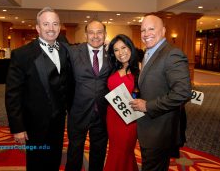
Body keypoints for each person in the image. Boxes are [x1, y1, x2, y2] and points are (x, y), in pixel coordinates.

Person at [5, 7, 73, 170]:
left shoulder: (65, 48)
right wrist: (18, 128)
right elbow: (13, 94)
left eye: (55, 24)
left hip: (58, 121)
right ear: (37, 28)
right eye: (46, 24)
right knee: (36, 162)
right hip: (33, 123)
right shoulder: (21, 55)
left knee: (54, 159)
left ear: (59, 27)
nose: (51, 28)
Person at [129, 15, 192, 171]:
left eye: (151, 28)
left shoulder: (172, 54)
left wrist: (148, 106)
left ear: (163, 31)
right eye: (143, 30)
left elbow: (183, 93)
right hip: (150, 128)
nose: (146, 33)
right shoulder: (149, 53)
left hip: (160, 130)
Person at [65, 19, 112, 171]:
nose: (95, 36)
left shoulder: (112, 55)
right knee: (74, 151)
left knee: (99, 152)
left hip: (102, 113)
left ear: (105, 35)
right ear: (85, 35)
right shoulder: (72, 52)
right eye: (91, 32)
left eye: (99, 32)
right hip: (78, 112)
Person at [103, 34, 140, 171]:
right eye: (116, 50)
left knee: (124, 151)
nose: (121, 53)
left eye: (123, 47)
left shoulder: (140, 69)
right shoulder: (113, 68)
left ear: (130, 47)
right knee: (114, 150)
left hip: (129, 119)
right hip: (112, 117)